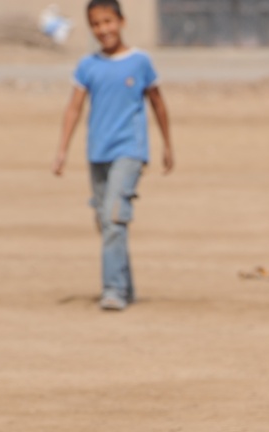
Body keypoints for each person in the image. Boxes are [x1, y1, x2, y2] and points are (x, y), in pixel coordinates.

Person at [52, 0, 173, 311]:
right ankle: (126, 284)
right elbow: (74, 108)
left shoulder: (140, 62)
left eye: (108, 22)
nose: (103, 29)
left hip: (130, 151)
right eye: (96, 24)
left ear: (122, 21)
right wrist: (62, 150)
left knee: (114, 217)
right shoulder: (87, 66)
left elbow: (158, 104)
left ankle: (113, 290)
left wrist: (167, 145)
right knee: (106, 222)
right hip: (98, 153)